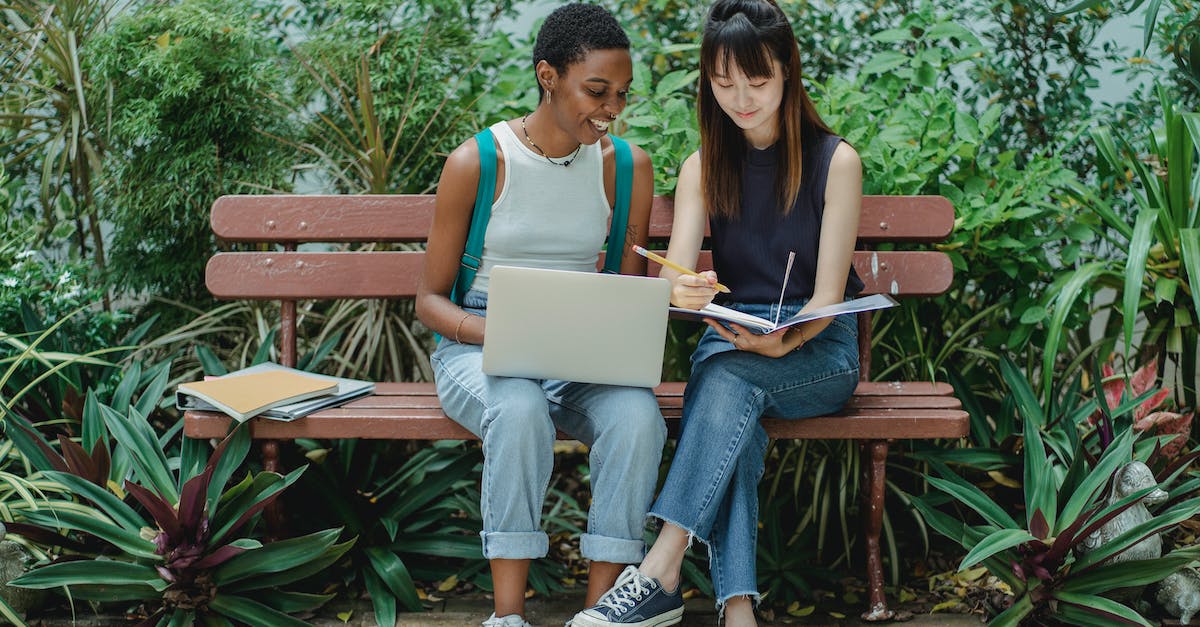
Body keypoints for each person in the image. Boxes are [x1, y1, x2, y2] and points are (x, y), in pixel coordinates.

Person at [570, 0, 863, 625]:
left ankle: (660, 568)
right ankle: (736, 608)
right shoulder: (702, 167)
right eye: (723, 83)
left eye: (757, 81)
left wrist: (784, 343)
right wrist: (688, 289)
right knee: (735, 411)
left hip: (816, 349)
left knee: (726, 383)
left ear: (787, 70)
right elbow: (675, 282)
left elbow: (828, 298)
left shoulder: (835, 161)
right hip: (732, 340)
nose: (741, 98)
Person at [414, 4, 666, 627]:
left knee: (637, 419)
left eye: (622, 95)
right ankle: (507, 616)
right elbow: (429, 300)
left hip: (578, 349)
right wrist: (492, 332)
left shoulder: (626, 167)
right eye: (597, 91)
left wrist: (665, 299)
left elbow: (625, 287)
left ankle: (599, 614)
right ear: (548, 76)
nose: (612, 109)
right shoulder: (479, 162)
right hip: (477, 342)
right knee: (520, 408)